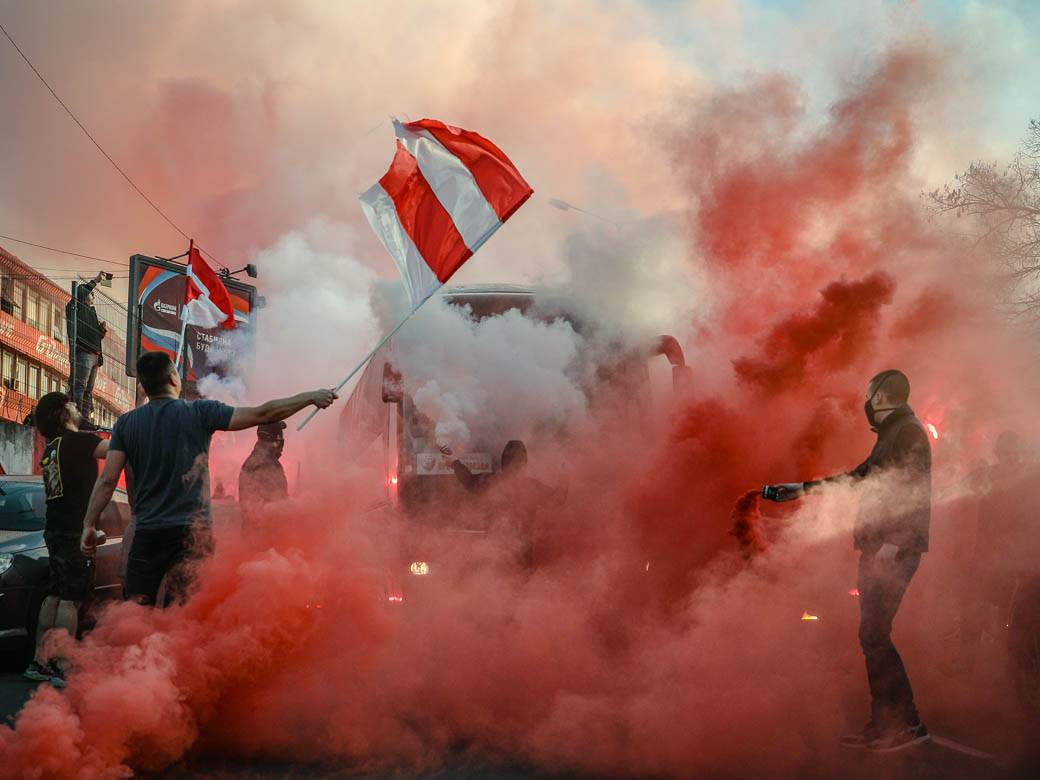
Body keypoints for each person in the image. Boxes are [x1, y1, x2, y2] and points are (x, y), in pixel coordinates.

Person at [79, 351, 337, 606]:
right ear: (173, 379)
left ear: (144, 386)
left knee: (137, 612)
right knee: (186, 614)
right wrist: (310, 397)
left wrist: (89, 525)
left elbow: (108, 480)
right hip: (192, 535)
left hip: (148, 534)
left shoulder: (126, 424)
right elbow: (263, 414)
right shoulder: (201, 412)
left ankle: (138, 648)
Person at [763, 369, 932, 752]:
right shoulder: (893, 434)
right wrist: (802, 491)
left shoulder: (908, 432)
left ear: (883, 397)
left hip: (892, 548)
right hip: (880, 546)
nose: (865, 402)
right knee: (871, 635)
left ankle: (906, 724)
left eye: (870, 395)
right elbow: (860, 478)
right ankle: (887, 722)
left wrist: (895, 540)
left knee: (874, 634)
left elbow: (915, 490)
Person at [23, 392, 108, 687]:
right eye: (70, 404)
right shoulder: (82, 441)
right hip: (75, 530)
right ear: (63, 413)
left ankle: (40, 661)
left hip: (55, 529)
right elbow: (116, 450)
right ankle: (63, 666)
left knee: (54, 596)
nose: (76, 406)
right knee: (71, 601)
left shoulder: (51, 448)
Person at [452, 440, 567, 566]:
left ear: (503, 462)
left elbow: (470, 481)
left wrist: (454, 462)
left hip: (494, 554)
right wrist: (564, 474)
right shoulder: (531, 487)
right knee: (517, 581)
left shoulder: (492, 482)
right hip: (522, 557)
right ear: (524, 462)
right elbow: (558, 499)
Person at [65, 272, 111, 425]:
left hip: (95, 355)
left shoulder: (91, 310)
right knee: (80, 387)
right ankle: (77, 417)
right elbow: (81, 291)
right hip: (84, 352)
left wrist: (101, 330)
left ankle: (85, 419)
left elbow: (95, 335)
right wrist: (97, 280)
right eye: (91, 293)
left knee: (88, 391)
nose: (93, 296)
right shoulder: (75, 306)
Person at [238, 421, 289, 533]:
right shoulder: (268, 464)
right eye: (281, 436)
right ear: (276, 440)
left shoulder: (253, 460)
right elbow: (279, 505)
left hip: (253, 533)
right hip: (266, 538)